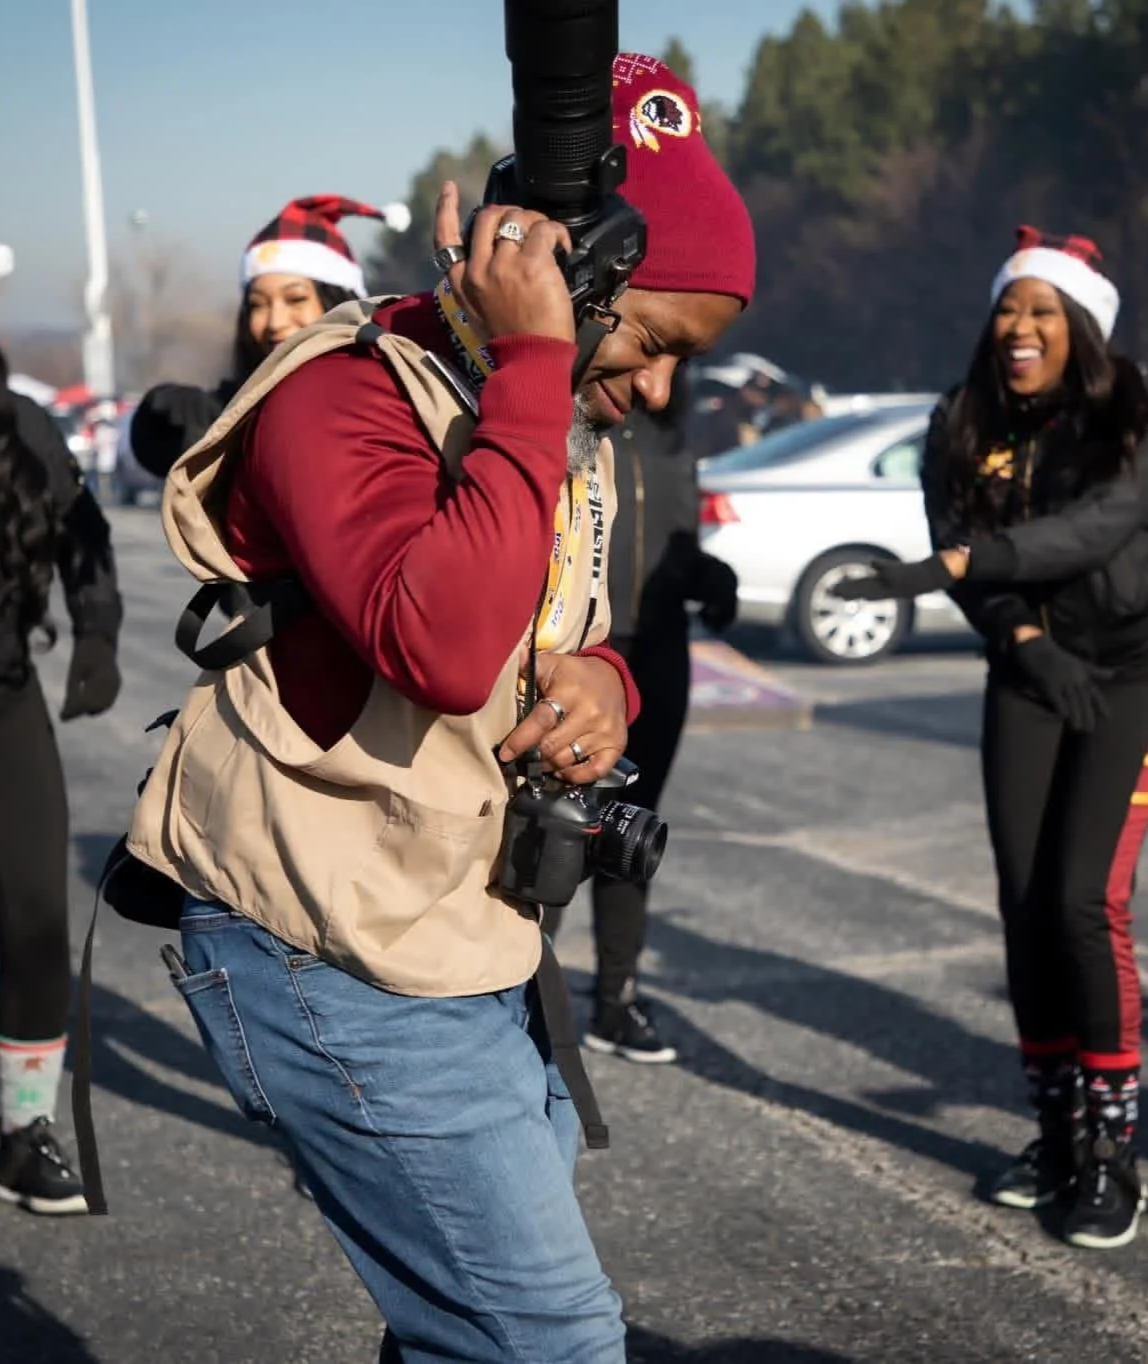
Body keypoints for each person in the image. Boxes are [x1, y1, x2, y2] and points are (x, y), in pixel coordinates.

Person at [124, 53, 753, 1360]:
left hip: (464, 939)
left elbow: (569, 622)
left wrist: (610, 682)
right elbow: (446, 647)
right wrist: (535, 356)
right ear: (579, 282)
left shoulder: (540, 410)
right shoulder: (343, 391)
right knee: (550, 1341)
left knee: (462, 1333)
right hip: (328, 950)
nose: (655, 391)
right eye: (650, 345)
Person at [831, 226, 1148, 1250]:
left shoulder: (1133, 409)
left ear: (1080, 326)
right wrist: (1021, 637)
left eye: (1041, 311)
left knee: (1084, 899)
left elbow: (1097, 528)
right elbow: (964, 549)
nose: (1017, 326)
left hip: (1127, 670)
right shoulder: (960, 418)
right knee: (1025, 907)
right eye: (1007, 307)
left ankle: (1113, 1153)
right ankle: (1058, 1137)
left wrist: (965, 564)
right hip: (1028, 673)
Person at [542, 362, 738, 1063]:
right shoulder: (575, 419)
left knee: (630, 823)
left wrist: (714, 579)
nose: (658, 371)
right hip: (580, 652)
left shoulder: (673, 435)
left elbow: (674, 546)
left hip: (659, 653)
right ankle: (523, 999)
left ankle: (615, 1002)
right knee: (554, 823)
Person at [0, 348, 122, 1215]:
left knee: (37, 918)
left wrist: (98, 634)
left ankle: (20, 1130)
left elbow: (88, 536)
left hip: (5, 700)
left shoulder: (25, 427)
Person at [129, 195, 410, 479]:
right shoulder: (233, 414)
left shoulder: (392, 400)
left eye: (295, 299)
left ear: (338, 303)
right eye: (258, 304)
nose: (275, 322)